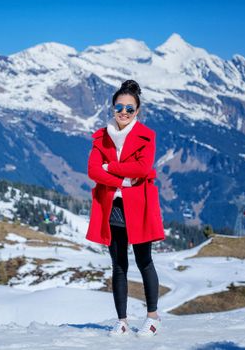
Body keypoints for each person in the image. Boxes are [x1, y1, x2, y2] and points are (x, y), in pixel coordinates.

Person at [85, 80, 165, 337]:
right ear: (112, 108)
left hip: (139, 206)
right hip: (113, 206)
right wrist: (122, 179)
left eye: (129, 108)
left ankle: (153, 317)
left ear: (137, 111)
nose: (124, 112)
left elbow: (143, 169)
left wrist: (110, 168)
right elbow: (93, 171)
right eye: (119, 107)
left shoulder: (146, 135)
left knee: (144, 261)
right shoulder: (101, 136)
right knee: (118, 265)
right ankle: (122, 321)